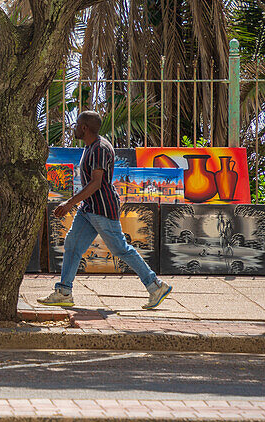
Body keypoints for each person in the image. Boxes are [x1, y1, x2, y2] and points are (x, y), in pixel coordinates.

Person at [39, 110, 173, 310]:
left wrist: (68, 204)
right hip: (89, 209)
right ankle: (64, 291)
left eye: (76, 124)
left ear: (84, 127)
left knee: (121, 249)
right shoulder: (92, 146)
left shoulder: (99, 148)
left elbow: (96, 183)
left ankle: (155, 286)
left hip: (101, 209)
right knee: (73, 245)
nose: (74, 128)